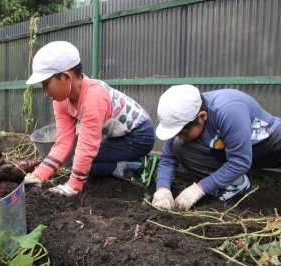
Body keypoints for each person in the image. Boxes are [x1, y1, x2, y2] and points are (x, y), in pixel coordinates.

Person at [24, 41, 156, 196]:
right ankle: (130, 164)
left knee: (83, 160)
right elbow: (63, 142)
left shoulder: (94, 96)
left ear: (66, 77)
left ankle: (139, 164)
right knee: (82, 163)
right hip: (120, 137)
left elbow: (87, 146)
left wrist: (73, 186)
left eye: (46, 84)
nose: (45, 91)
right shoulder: (61, 102)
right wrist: (39, 175)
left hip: (140, 135)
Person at [151, 85, 281, 211]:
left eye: (184, 133)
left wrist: (199, 189)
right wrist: (162, 189)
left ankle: (231, 181)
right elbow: (168, 158)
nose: (180, 136)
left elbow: (240, 161)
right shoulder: (181, 119)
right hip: (228, 151)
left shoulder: (228, 109)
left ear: (202, 117)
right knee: (179, 146)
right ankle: (236, 184)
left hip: (266, 144)